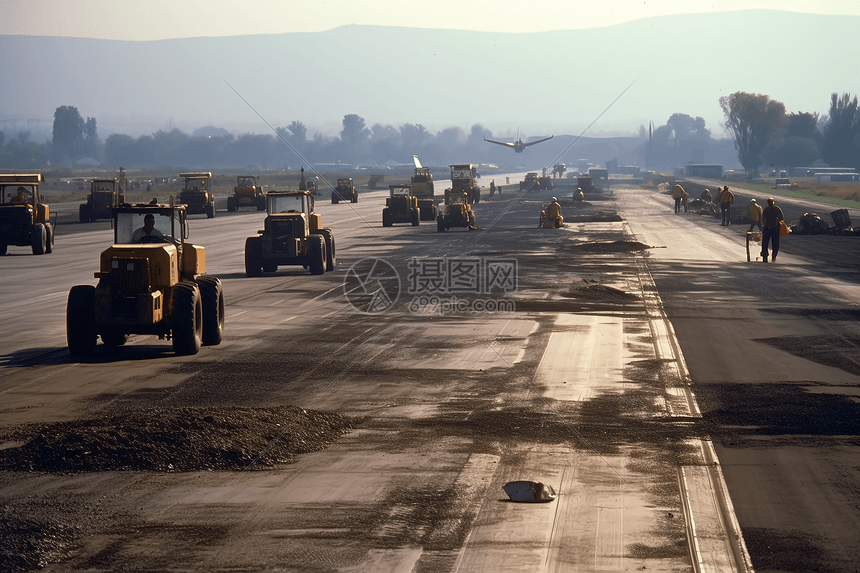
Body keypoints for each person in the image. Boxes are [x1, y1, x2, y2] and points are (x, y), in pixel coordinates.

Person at [760, 197, 784, 262]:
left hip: (767, 228)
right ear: (773, 202)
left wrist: (763, 226)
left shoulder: (766, 209)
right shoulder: (777, 209)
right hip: (775, 228)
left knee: (765, 243)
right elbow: (781, 218)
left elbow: (763, 219)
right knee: (775, 244)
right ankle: (773, 257)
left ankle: (765, 257)